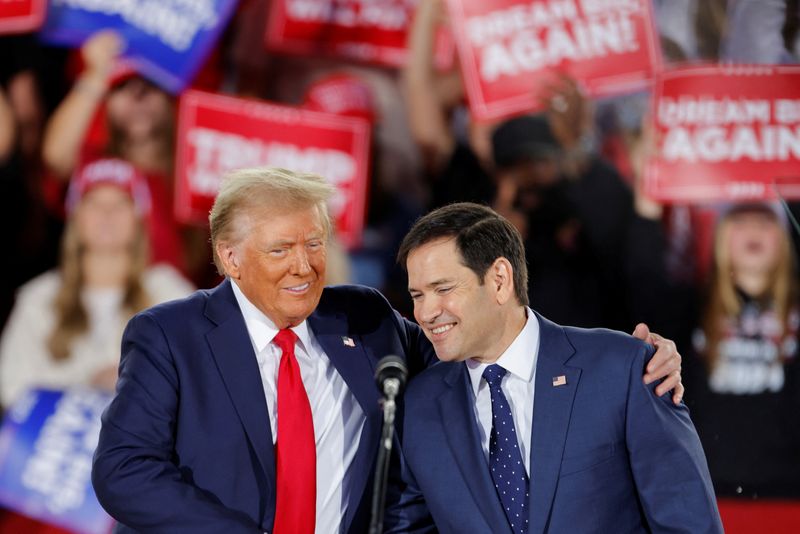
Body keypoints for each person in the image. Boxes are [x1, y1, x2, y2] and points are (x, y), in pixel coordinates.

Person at [92, 167, 682, 534]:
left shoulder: (364, 318)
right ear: (229, 257)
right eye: (280, 250)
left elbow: (480, 344)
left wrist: (613, 359)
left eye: (315, 243)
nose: (304, 266)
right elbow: (124, 471)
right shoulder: (170, 335)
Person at [385, 202, 722, 533]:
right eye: (417, 295)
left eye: (443, 289)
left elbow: (688, 522)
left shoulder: (620, 369)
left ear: (500, 280)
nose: (426, 312)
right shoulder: (418, 408)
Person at [627, 200, 800, 498]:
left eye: (765, 221)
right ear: (721, 239)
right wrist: (646, 212)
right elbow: (639, 288)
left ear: (784, 241)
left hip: (789, 495)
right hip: (705, 495)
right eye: (740, 221)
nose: (753, 230)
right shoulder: (687, 308)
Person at [0, 157, 193, 407]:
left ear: (138, 217)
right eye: (93, 202)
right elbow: (11, 386)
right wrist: (87, 385)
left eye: (120, 203)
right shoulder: (39, 297)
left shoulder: (169, 291)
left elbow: (200, 373)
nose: (107, 214)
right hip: (58, 441)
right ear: (75, 217)